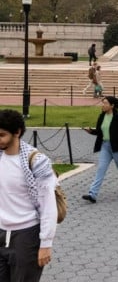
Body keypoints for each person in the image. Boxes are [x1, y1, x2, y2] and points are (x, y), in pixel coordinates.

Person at [0, 108, 57, 280]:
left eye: (1, 135)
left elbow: (48, 205)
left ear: (17, 132)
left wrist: (46, 244)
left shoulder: (36, 162)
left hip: (26, 237)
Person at [82, 96, 118, 203]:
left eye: (105, 103)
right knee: (101, 169)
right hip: (105, 146)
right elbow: (100, 132)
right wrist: (91, 131)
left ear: (112, 105)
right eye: (103, 103)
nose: (103, 105)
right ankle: (93, 194)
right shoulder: (102, 116)